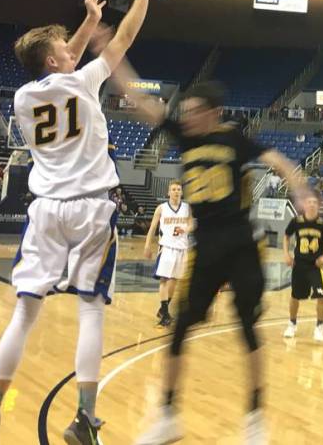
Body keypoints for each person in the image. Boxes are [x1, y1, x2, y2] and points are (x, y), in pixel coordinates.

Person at [0, 0, 180, 445]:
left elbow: (64, 60)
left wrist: (86, 21)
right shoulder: (83, 82)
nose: (74, 50)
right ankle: (84, 420)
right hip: (91, 210)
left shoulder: (23, 99)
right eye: (67, 49)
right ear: (55, 60)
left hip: (45, 211)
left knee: (23, 315)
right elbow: (122, 38)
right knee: (91, 313)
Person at [126, 80, 310, 445]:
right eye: (186, 111)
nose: (188, 117)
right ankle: (167, 415)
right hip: (206, 248)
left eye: (195, 111)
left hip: (242, 245)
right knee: (180, 330)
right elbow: (145, 104)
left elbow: (278, 161)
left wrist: (300, 189)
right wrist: (110, 56)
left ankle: (255, 418)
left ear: (214, 113)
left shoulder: (234, 140)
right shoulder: (183, 136)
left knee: (246, 329)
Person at [282, 192, 323, 341]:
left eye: (315, 202)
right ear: (304, 204)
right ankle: (292, 324)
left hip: (316, 266)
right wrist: (286, 254)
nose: (312, 204)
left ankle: (319, 327)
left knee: (321, 296)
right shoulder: (296, 221)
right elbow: (286, 236)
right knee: (295, 297)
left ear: (318, 205)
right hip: (299, 265)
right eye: (309, 202)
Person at [144, 181, 192, 327]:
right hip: (166, 247)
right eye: (173, 189)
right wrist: (147, 245)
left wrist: (186, 230)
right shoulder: (161, 208)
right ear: (168, 192)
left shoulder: (187, 208)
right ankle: (165, 314)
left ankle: (163, 309)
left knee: (174, 280)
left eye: (179, 189)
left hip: (182, 248)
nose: (176, 191)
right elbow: (152, 228)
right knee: (164, 279)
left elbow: (192, 224)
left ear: (182, 192)